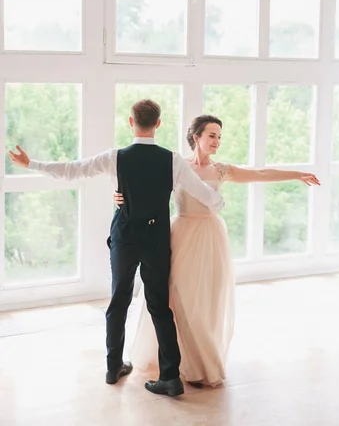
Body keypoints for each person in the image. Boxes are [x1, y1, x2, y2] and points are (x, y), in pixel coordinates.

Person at [8, 100, 225, 396]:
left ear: (130, 122)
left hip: (125, 236)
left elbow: (73, 170)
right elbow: (205, 194)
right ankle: (171, 377)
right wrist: (218, 203)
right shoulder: (172, 160)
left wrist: (30, 164)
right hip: (157, 240)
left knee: (118, 301)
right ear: (158, 124)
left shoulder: (115, 157)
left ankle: (113, 367)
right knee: (160, 306)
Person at [114, 114, 320, 387]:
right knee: (174, 296)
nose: (217, 141)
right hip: (181, 235)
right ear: (196, 137)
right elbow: (141, 183)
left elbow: (259, 174)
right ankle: (171, 361)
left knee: (206, 300)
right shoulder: (175, 165)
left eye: (219, 136)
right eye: (212, 135)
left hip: (211, 237)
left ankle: (202, 364)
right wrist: (118, 195)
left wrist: (296, 174)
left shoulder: (221, 170)